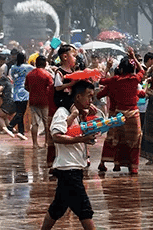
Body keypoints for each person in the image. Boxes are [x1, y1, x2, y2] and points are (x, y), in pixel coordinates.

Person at [40, 79, 101, 230]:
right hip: (69, 169)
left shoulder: (79, 114)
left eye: (92, 97)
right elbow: (56, 136)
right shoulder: (63, 112)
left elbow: (87, 131)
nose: (90, 100)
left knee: (58, 208)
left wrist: (90, 116)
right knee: (84, 210)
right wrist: (81, 138)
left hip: (73, 168)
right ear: (78, 97)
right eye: (89, 96)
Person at [96, 50, 144, 175]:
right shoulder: (135, 79)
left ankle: (117, 163)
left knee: (117, 139)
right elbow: (142, 72)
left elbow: (101, 81)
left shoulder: (115, 80)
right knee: (135, 140)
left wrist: (106, 68)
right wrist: (134, 57)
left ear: (121, 69)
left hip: (118, 114)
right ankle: (133, 167)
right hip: (133, 114)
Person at [26, 56, 55, 150]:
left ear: (35, 63)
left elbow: (26, 87)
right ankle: (46, 143)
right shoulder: (47, 75)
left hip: (33, 101)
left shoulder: (30, 74)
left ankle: (35, 144)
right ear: (45, 63)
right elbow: (51, 87)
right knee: (47, 123)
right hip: (45, 101)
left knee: (34, 123)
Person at [7, 51, 34, 141]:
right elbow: (37, 69)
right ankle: (10, 126)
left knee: (20, 112)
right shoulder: (28, 67)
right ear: (24, 59)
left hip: (15, 91)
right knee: (21, 112)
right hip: (24, 92)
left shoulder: (13, 67)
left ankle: (21, 132)